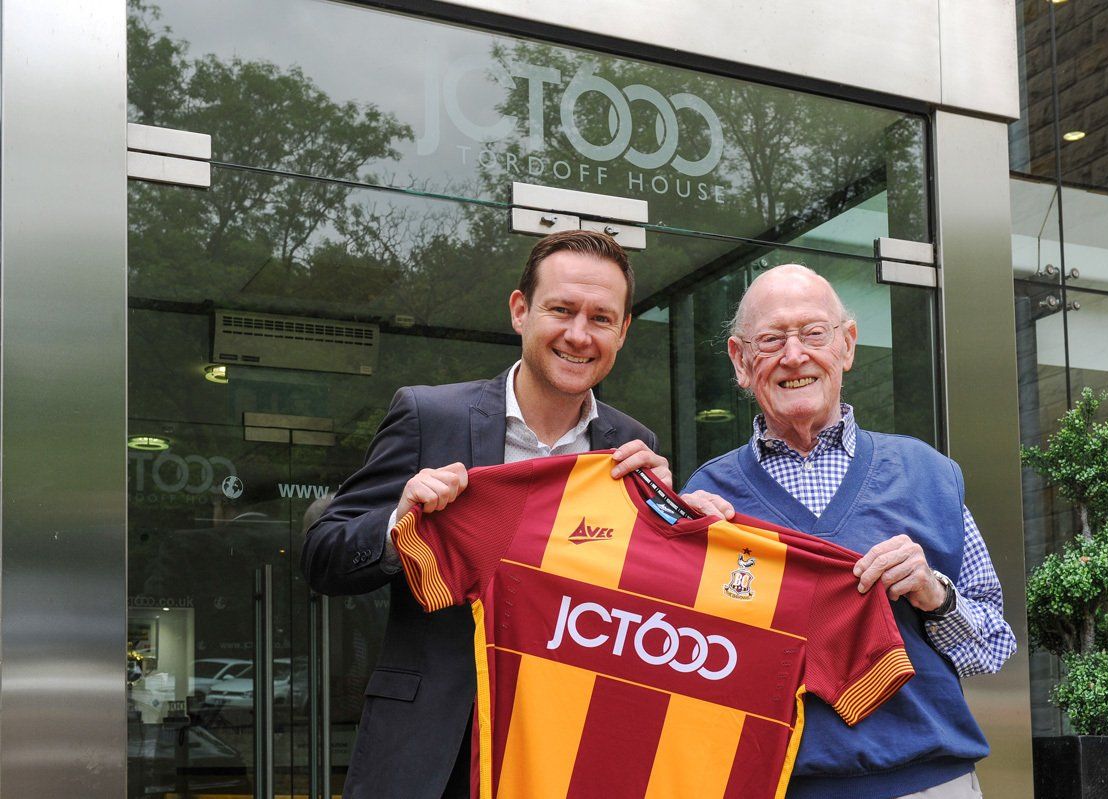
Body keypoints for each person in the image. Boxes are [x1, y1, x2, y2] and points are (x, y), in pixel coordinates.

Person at [302, 230, 724, 799]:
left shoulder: (632, 446)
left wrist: (678, 527)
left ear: (623, 332)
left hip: (567, 750)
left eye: (601, 318)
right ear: (520, 310)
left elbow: (642, 613)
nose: (578, 335)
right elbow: (322, 557)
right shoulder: (429, 414)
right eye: (561, 310)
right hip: (434, 749)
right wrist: (399, 522)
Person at [683, 264, 1016, 799]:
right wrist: (685, 558)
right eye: (770, 340)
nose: (794, 356)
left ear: (847, 347)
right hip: (772, 785)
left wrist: (935, 594)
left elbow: (993, 649)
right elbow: (690, 659)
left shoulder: (928, 473)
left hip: (929, 784)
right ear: (741, 362)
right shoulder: (708, 495)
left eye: (814, 334)